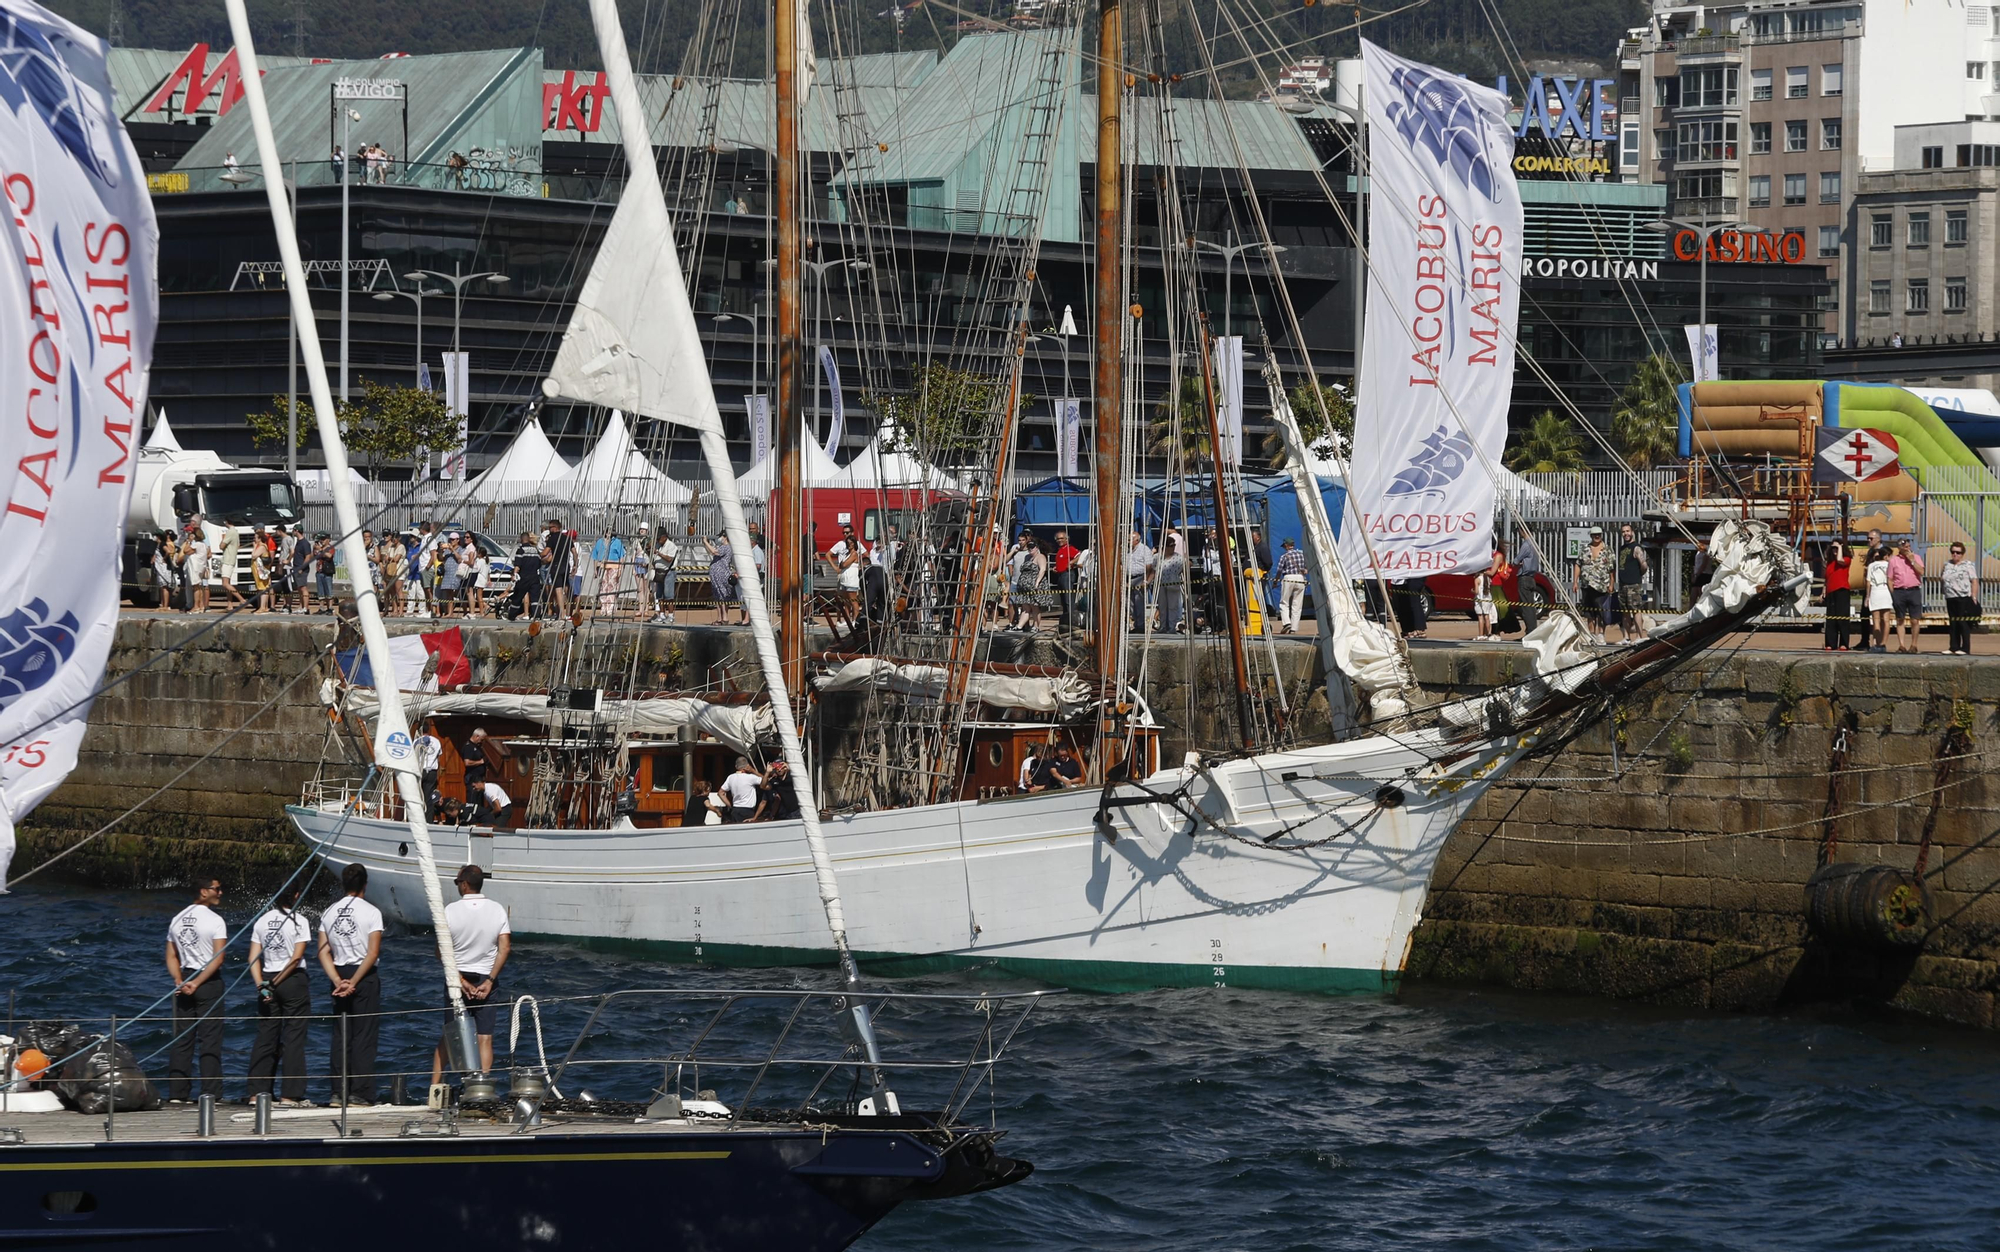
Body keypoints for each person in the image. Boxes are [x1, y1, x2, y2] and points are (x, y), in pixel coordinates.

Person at [430, 865, 512, 1084]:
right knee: (485, 1039)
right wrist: (490, 980)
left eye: (458, 882)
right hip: (487, 980)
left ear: (464, 884)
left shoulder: (450, 911)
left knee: (449, 1039)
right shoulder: (497, 910)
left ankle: (435, 1089)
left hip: (457, 981)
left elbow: (441, 952)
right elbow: (504, 948)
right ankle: (481, 1091)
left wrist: (462, 981)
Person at [317, 863, 383, 1106]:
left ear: (343, 884)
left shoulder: (329, 912)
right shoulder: (372, 912)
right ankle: (360, 1092)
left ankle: (338, 1092)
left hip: (338, 974)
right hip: (362, 977)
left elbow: (323, 952)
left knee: (340, 1036)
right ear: (365, 884)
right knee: (363, 1036)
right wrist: (353, 982)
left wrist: (337, 980)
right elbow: (373, 952)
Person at [246, 882, 313, 1107]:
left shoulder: (262, 921)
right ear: (295, 895)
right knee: (293, 1037)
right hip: (291, 980)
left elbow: (252, 959)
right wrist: (274, 984)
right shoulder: (300, 921)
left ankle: (257, 1093)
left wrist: (262, 986)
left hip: (266, 979)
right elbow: (296, 958)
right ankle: (290, 1095)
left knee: (266, 1036)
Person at [165, 872, 227, 1104]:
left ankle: (177, 1095)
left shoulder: (177, 918)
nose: (220, 892)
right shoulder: (215, 920)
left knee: (182, 1040)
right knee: (210, 1039)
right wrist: (198, 982)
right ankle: (211, 1094)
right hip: (207, 981)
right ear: (204, 891)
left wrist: (179, 980)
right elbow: (218, 958)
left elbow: (171, 955)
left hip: (185, 980)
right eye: (216, 888)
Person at [1887, 538, 1924, 653]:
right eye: (1904, 547)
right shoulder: (1894, 560)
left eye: (1908, 546)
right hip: (1899, 591)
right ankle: (1901, 645)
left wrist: (1912, 561)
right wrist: (1893, 593)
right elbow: (1890, 578)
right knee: (1900, 619)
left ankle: (1914, 645)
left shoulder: (1917, 557)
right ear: (1899, 548)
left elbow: (1922, 572)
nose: (1907, 548)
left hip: (1913, 590)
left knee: (1915, 620)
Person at [1576, 529, 1613, 642]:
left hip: (1602, 586)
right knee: (1589, 612)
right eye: (1594, 535)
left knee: (1601, 612)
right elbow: (1578, 564)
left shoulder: (1607, 550)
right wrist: (1575, 582)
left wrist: (1611, 584)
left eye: (1598, 535)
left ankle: (1600, 634)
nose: (1596, 537)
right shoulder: (1585, 549)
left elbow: (1612, 569)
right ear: (1591, 536)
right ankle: (1591, 634)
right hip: (1587, 585)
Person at [1614, 524, 1648, 642]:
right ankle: (1626, 637)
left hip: (1633, 584)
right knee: (1625, 611)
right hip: (1623, 584)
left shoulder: (1636, 548)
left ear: (1632, 532)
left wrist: (1638, 574)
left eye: (1628, 531)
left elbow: (1644, 565)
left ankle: (1640, 636)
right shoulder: (1623, 548)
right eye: (1623, 532)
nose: (1626, 534)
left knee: (1636, 610)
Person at [825, 524, 863, 620]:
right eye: (843, 533)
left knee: (853, 600)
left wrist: (860, 567)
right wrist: (835, 567)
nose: (845, 534)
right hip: (843, 578)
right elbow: (829, 555)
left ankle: (855, 619)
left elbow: (845, 564)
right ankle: (844, 619)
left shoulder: (854, 553)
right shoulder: (842, 546)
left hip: (851, 579)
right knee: (845, 600)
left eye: (847, 532)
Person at [1822, 542, 1854, 651]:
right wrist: (1823, 591)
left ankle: (1844, 643)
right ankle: (1830, 643)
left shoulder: (1846, 559)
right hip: (1831, 591)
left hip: (1842, 589)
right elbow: (1827, 579)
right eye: (1833, 549)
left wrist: (1840, 546)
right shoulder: (1830, 563)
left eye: (1836, 549)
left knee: (1842, 617)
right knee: (1831, 618)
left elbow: (1840, 560)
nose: (1834, 551)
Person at [1863, 540, 1893, 653]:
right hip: (1886, 591)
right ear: (1886, 556)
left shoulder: (1871, 565)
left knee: (1876, 620)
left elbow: (1868, 582)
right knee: (1886, 620)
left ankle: (1877, 643)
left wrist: (1867, 596)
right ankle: (1883, 644)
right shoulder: (1890, 565)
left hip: (1875, 591)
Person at [1274, 538, 1308, 635]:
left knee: (1284, 602)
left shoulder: (1284, 556)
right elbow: (1306, 568)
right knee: (1297, 604)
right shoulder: (1301, 555)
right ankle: (1294, 628)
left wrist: (1275, 581)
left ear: (1286, 546)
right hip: (1301, 578)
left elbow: (1279, 570)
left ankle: (1286, 623)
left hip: (1288, 578)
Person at [1125, 530, 1154, 634]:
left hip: (1140, 578)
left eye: (1129, 539)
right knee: (1131, 604)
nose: (1127, 541)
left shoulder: (1144, 549)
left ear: (1136, 540)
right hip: (1129, 579)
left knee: (1139, 602)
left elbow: (1149, 566)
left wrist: (1146, 581)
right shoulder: (1127, 551)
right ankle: (1136, 623)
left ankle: (1141, 626)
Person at [1155, 535, 1186, 633]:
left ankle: (1172, 627)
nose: (1173, 547)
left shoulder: (1178, 558)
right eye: (1170, 546)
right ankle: (1163, 626)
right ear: (1164, 547)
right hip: (1161, 584)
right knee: (1162, 606)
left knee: (1173, 606)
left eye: (1174, 545)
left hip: (1173, 584)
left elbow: (1186, 566)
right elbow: (1152, 570)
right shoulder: (1157, 557)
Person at [542, 519, 573, 617]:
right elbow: (574, 552)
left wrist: (539, 554)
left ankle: (562, 613)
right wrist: (575, 564)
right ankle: (569, 612)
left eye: (550, 527)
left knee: (558, 589)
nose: (549, 529)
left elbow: (545, 552)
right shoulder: (567, 538)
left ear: (555, 528)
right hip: (566, 565)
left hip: (556, 565)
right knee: (566, 587)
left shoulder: (552, 538)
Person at [650, 527, 679, 624]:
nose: (658, 540)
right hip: (659, 572)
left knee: (668, 595)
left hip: (668, 572)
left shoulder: (671, 546)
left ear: (664, 537)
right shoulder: (659, 545)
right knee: (659, 595)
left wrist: (658, 553)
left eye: (659, 538)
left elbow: (669, 559)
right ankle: (661, 614)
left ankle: (670, 615)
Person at [1515, 536, 1543, 632]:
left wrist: (1518, 562)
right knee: (1530, 606)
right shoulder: (1534, 544)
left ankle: (1530, 630)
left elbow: (1516, 560)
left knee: (1526, 607)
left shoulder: (1526, 544)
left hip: (1524, 577)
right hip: (1531, 577)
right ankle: (1531, 629)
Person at [720, 757, 762, 822]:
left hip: (735, 809)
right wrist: (753, 771)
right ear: (747, 766)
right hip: (747, 810)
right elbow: (765, 780)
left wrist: (730, 805)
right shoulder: (750, 777)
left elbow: (721, 793)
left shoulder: (731, 777)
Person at [415, 721, 443, 810]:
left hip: (420, 771)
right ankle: (428, 821)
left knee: (417, 796)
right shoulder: (436, 741)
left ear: (419, 730)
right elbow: (438, 756)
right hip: (432, 772)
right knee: (429, 799)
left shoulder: (416, 741)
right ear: (429, 729)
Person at [183, 527, 211, 613]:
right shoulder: (204, 545)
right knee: (200, 587)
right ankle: (201, 606)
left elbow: (185, 551)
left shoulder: (196, 544)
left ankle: (196, 606)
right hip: (201, 567)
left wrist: (188, 541)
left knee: (195, 587)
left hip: (195, 567)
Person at [1472, 564, 1496, 641]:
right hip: (1488, 599)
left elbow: (1476, 591)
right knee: (1487, 617)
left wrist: (1472, 590)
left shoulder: (1477, 580)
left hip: (1480, 600)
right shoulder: (1488, 579)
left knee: (1480, 617)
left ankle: (1481, 635)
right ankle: (1487, 634)